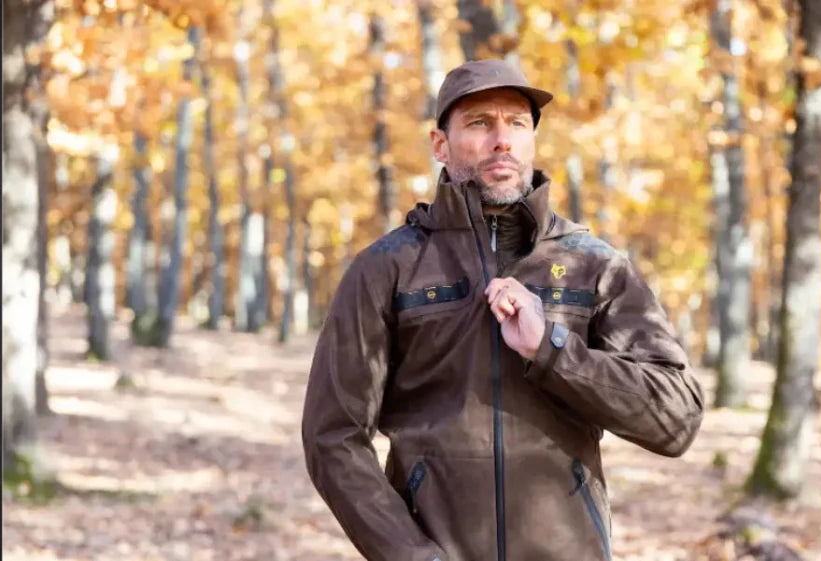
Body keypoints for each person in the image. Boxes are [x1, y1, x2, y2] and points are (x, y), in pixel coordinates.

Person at [301, 58, 706, 561]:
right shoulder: (387, 268)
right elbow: (332, 437)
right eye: (479, 123)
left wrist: (551, 349)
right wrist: (409, 554)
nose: (502, 139)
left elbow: (677, 417)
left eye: (517, 123)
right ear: (440, 145)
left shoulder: (593, 265)